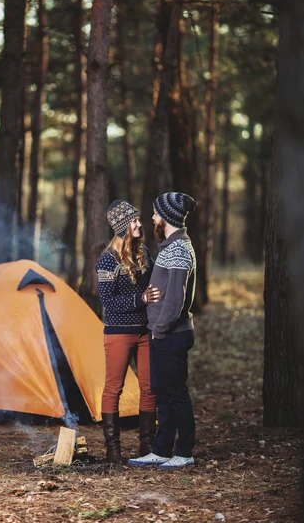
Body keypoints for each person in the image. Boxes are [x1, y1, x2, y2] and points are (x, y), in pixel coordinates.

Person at [128, 192, 198, 470]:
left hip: (170, 334)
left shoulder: (179, 248)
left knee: (176, 394)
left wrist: (159, 328)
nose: (153, 218)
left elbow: (176, 299)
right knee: (164, 394)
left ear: (166, 218)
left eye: (156, 214)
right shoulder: (170, 247)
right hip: (162, 333)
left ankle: (184, 451)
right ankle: (162, 449)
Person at [96, 199, 161, 464]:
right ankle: (113, 450)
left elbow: (154, 286)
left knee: (149, 388)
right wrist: (140, 300)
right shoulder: (107, 260)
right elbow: (108, 301)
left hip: (145, 332)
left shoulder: (144, 252)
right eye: (133, 221)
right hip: (118, 333)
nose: (139, 224)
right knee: (114, 388)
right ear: (122, 226)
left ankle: (147, 448)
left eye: (138, 219)